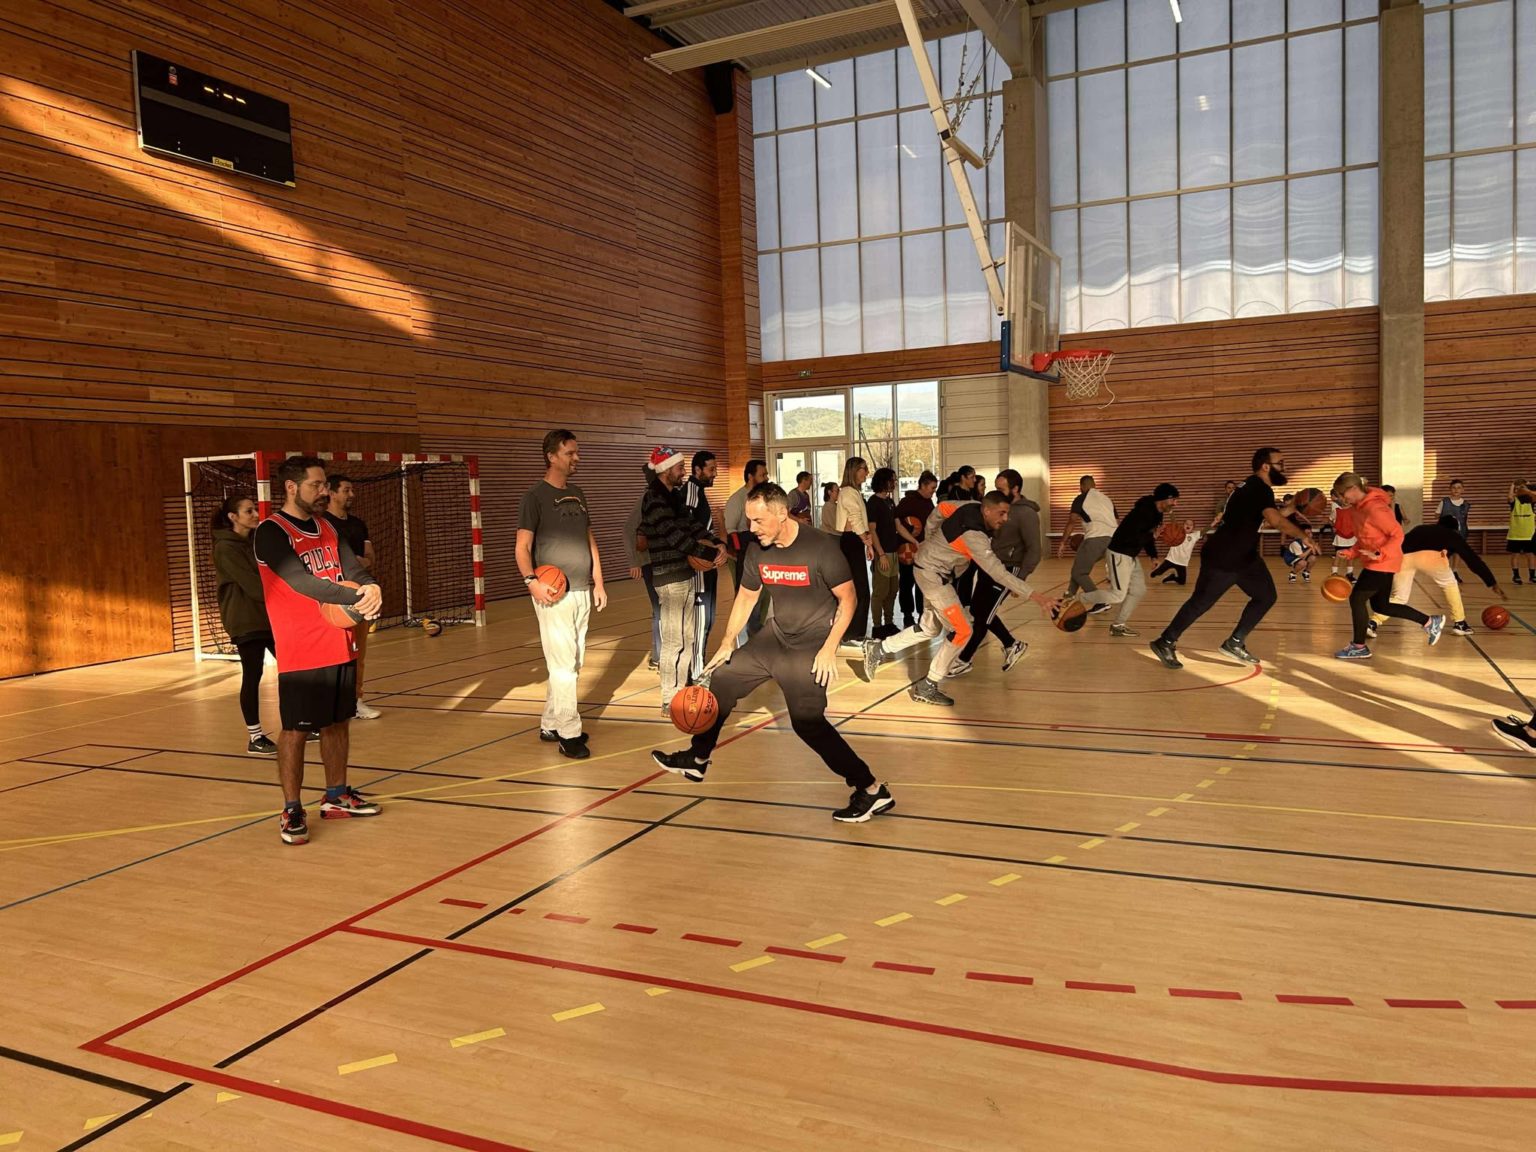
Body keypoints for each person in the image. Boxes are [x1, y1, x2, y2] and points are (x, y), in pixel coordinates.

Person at [651, 483, 894, 823]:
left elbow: (848, 599)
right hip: (775, 636)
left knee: (808, 724)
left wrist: (829, 648)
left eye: (758, 520)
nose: (752, 528)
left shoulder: (821, 547)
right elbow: (747, 597)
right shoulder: (757, 549)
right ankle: (698, 758)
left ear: (782, 514)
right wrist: (727, 641)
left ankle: (870, 788)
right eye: (749, 520)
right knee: (723, 679)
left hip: (812, 643)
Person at [254, 456, 383, 845]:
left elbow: (352, 568)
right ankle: (292, 808)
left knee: (338, 722)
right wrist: (357, 596)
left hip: (339, 641)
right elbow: (302, 582)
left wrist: (370, 585)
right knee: (295, 730)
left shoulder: (327, 525)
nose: (324, 491)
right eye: (316, 485)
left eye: (325, 484)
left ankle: (336, 795)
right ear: (291, 487)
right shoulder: (271, 532)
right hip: (301, 649)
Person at [860, 492, 1059, 706]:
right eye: (1002, 513)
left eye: (1007, 513)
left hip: (929, 570)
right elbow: (999, 573)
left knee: (929, 629)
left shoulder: (969, 505)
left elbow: (941, 509)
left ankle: (879, 649)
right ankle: (928, 686)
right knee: (962, 630)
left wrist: (929, 538)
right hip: (933, 576)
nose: (1005, 518)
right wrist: (1038, 597)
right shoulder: (975, 538)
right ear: (986, 510)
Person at [1150, 448, 1316, 671]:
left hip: (1245, 556)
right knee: (1201, 602)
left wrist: (1293, 506)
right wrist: (1303, 536)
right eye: (1280, 464)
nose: (1283, 468)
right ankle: (1165, 642)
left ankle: (1235, 642)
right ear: (1266, 466)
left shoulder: (1252, 487)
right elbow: (1275, 521)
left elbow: (1267, 519)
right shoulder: (1259, 489)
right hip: (1225, 555)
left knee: (1266, 596)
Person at [517, 430, 607, 759]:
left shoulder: (578, 493)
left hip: (582, 588)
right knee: (564, 666)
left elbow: (589, 537)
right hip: (552, 593)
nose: (576, 458)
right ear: (552, 456)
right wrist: (532, 581)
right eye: (570, 453)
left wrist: (598, 579)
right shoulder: (534, 497)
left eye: (576, 452)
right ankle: (569, 733)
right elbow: (522, 547)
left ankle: (550, 723)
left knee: (573, 663)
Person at [640, 446, 725, 714]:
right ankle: (669, 697)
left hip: (685, 575)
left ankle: (681, 692)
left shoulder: (675, 496)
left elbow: (692, 526)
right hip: (669, 580)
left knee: (688, 638)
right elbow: (675, 537)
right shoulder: (654, 499)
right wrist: (710, 554)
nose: (683, 472)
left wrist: (716, 542)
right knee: (673, 640)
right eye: (680, 468)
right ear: (665, 470)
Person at [1332, 473, 1444, 660]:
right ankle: (1429, 621)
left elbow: (1397, 534)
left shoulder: (1375, 508)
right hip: (1376, 562)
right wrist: (1351, 552)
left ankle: (1359, 646)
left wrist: (1379, 553)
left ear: (1353, 489)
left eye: (1343, 494)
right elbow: (1366, 538)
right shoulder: (1357, 509)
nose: (1341, 499)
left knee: (1357, 599)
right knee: (1381, 606)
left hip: (1383, 562)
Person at [950, 470, 1040, 675]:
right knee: (978, 612)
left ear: (1015, 489)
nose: (996, 491)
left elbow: (1034, 549)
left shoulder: (1026, 514)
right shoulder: (997, 509)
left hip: (1008, 568)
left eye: (1001, 488)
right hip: (989, 566)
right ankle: (1011, 644)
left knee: (983, 615)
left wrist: (1020, 581)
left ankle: (964, 659)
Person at [1368, 515, 1504, 640]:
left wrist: (1380, 558)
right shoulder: (1453, 535)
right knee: (1449, 585)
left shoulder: (1420, 528)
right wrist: (1491, 582)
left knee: (1399, 597)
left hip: (1404, 558)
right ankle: (1460, 623)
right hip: (1432, 558)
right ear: (1455, 529)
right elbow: (1472, 559)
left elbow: (1398, 544)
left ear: (1438, 523)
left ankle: (1373, 622)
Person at [212, 495, 277, 756]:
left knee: (292, 669)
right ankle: (255, 736)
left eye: (254, 510)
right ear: (233, 517)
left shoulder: (254, 543)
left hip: (267, 617)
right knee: (253, 674)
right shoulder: (225, 548)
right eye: (248, 511)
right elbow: (255, 587)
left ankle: (300, 725)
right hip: (245, 620)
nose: (255, 514)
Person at [1075, 483, 1181, 638]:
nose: (1176, 504)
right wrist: (1152, 535)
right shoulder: (1142, 513)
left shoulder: (1157, 513)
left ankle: (1118, 625)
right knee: (1118, 595)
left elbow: (1148, 536)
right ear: (1163, 499)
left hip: (1130, 555)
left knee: (1138, 590)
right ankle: (1076, 599)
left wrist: (1153, 556)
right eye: (1174, 500)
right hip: (1119, 553)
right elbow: (1132, 537)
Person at [320, 474, 380, 721]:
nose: (351, 495)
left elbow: (369, 557)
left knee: (358, 653)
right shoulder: (322, 524)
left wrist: (358, 563)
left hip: (358, 598)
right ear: (332, 493)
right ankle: (329, 703)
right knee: (331, 654)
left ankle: (356, 701)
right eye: (346, 490)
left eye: (351, 490)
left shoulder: (357, 524)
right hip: (333, 599)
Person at [722, 459, 771, 643]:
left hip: (761, 554)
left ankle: (757, 638)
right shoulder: (737, 499)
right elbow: (730, 530)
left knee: (763, 599)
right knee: (745, 599)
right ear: (751, 477)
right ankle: (743, 643)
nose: (766, 478)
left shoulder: (763, 498)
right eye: (762, 475)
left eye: (766, 474)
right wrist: (738, 553)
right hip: (742, 556)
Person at [683, 451, 719, 676]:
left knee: (709, 618)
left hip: (709, 565)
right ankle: (695, 672)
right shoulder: (691, 490)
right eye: (711, 469)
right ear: (697, 470)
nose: (715, 474)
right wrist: (703, 552)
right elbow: (686, 526)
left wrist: (718, 547)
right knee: (700, 620)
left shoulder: (700, 492)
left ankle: (697, 667)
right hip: (697, 568)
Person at [623, 467, 661, 672]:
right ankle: (658, 656)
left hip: (666, 561)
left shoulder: (668, 498)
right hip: (650, 562)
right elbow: (629, 529)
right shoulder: (646, 500)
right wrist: (634, 562)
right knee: (659, 609)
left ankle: (662, 654)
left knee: (665, 609)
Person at [834, 457, 873, 644]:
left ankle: (855, 633)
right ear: (854, 471)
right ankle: (853, 634)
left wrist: (867, 541)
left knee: (861, 591)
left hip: (855, 540)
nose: (866, 472)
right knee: (860, 591)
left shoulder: (853, 492)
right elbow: (855, 520)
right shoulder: (848, 492)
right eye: (863, 469)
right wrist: (866, 541)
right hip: (851, 540)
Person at [894, 471, 938, 628]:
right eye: (932, 488)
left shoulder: (928, 502)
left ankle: (921, 614)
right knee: (907, 583)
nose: (933, 492)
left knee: (922, 583)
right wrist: (912, 538)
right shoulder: (907, 501)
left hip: (923, 549)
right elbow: (898, 523)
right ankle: (907, 615)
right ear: (923, 486)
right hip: (908, 549)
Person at [1061, 475, 1117, 596]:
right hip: (1114, 540)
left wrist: (1063, 543)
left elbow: (1072, 522)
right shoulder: (1107, 499)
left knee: (1079, 573)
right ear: (1094, 485)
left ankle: (1100, 601)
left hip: (1096, 538)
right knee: (1078, 566)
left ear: (1081, 486)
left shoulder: (1081, 498)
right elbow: (1116, 520)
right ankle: (1069, 595)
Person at [865, 468, 900, 639]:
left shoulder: (890, 502)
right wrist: (881, 554)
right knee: (880, 591)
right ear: (884, 481)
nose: (894, 483)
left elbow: (898, 525)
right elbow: (872, 530)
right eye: (892, 480)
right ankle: (877, 626)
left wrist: (915, 541)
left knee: (893, 590)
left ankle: (889, 622)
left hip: (894, 551)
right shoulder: (873, 503)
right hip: (883, 553)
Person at [1438, 479, 1470, 580]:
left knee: (1457, 551)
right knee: (1445, 552)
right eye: (1454, 488)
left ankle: (1454, 571)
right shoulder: (1444, 502)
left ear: (1463, 490)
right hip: (1446, 532)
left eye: (1459, 488)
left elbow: (1464, 518)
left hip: (1460, 531)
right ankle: (1444, 570)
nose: (1456, 490)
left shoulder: (1466, 504)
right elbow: (1437, 514)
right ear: (1450, 489)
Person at [1507, 480, 1535, 585]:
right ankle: (1516, 576)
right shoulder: (1514, 501)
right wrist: (1513, 485)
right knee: (1515, 555)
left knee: (1531, 555)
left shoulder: (1531, 500)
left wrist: (1528, 487)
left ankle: (1532, 576)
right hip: (1515, 534)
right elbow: (1510, 497)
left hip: (1529, 534)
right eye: (1518, 488)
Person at [1329, 495, 1358, 583]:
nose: (1346, 501)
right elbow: (1330, 520)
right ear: (1341, 500)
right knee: (1338, 556)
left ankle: (1349, 574)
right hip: (1340, 537)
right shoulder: (1336, 511)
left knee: (1351, 557)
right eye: (1344, 499)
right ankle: (1334, 574)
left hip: (1352, 536)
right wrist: (1334, 526)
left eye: (1347, 499)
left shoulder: (1354, 510)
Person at [1282, 511, 1317, 583]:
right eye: (1307, 533)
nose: (1310, 535)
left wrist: (1313, 547)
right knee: (1303, 563)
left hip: (1302, 556)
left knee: (1313, 558)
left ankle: (1306, 572)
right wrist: (1311, 548)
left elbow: (1314, 553)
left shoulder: (1309, 541)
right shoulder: (1296, 543)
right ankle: (1293, 574)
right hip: (1291, 557)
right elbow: (1301, 556)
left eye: (1311, 533)